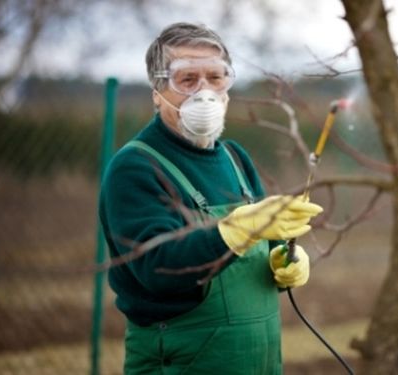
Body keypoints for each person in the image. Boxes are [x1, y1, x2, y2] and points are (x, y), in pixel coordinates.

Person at [98, 22, 323, 374]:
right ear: (157, 91)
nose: (204, 92)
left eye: (216, 78)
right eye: (187, 79)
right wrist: (235, 231)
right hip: (183, 362)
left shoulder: (234, 158)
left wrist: (283, 258)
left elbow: (263, 246)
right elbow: (157, 268)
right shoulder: (136, 167)